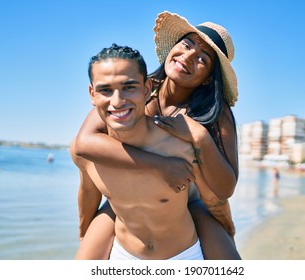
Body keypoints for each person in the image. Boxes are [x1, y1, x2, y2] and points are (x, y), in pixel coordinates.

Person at [74, 11, 241, 260]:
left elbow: (226, 186)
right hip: (130, 197)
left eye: (202, 59)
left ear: (208, 79)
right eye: (186, 45)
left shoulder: (214, 114)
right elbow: (84, 143)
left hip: (191, 201)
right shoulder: (139, 89)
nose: (188, 57)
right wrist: (160, 166)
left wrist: (199, 136)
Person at [71, 43, 205, 259]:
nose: (117, 101)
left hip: (183, 256)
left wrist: (225, 229)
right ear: (92, 94)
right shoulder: (87, 154)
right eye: (105, 90)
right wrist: (83, 238)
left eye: (129, 87)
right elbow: (88, 193)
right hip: (123, 255)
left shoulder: (179, 147)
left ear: (146, 89)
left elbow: (212, 198)